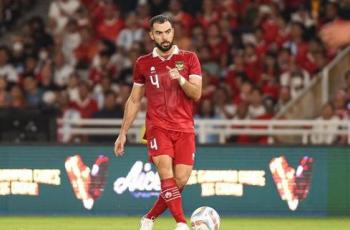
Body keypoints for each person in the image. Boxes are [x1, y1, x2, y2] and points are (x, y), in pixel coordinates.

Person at [114, 15, 202, 230]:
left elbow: (196, 93)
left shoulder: (189, 58)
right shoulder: (143, 63)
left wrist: (180, 79)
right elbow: (134, 99)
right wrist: (123, 132)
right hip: (157, 126)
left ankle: (149, 218)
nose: (165, 36)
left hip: (184, 128)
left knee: (179, 180)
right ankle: (181, 223)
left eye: (168, 31)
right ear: (152, 35)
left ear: (173, 32)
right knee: (166, 173)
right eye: (160, 33)